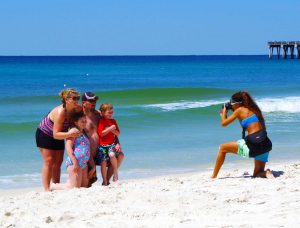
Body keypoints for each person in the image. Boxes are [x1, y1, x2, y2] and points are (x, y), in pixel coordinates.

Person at [211, 91, 274, 179]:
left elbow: (223, 123)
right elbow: (246, 126)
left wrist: (223, 113)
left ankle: (213, 176)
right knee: (257, 174)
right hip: (265, 145)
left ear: (237, 104)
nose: (231, 106)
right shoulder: (256, 110)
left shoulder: (239, 110)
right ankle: (265, 173)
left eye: (232, 104)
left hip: (254, 145)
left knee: (222, 148)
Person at [36, 88, 81, 191]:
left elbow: (86, 111)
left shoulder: (76, 108)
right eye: (74, 98)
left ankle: (55, 185)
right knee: (49, 161)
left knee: (58, 162)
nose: (77, 100)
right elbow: (55, 134)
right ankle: (47, 189)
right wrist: (70, 133)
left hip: (61, 133)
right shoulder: (60, 112)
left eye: (78, 98)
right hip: (45, 134)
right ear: (66, 99)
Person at [81, 92, 124, 186]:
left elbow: (111, 129)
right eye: (91, 101)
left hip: (102, 149)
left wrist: (117, 143)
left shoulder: (99, 115)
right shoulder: (80, 117)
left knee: (120, 155)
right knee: (86, 184)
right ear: (84, 102)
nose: (94, 102)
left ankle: (106, 182)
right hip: (89, 154)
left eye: (95, 100)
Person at [51, 110, 91, 190]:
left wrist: (92, 165)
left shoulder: (83, 133)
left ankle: (70, 181)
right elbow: (68, 147)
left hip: (83, 164)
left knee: (84, 186)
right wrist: (75, 162)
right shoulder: (73, 131)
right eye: (82, 121)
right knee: (74, 188)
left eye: (85, 121)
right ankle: (54, 186)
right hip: (75, 162)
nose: (84, 123)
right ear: (76, 122)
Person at [97, 103, 122, 185]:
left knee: (112, 155)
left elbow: (118, 133)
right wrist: (110, 128)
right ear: (103, 113)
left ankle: (115, 172)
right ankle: (104, 180)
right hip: (102, 146)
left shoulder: (113, 121)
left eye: (112, 112)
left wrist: (112, 130)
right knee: (103, 162)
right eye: (109, 112)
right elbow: (101, 133)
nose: (111, 114)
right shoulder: (101, 121)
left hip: (111, 144)